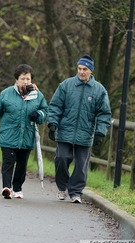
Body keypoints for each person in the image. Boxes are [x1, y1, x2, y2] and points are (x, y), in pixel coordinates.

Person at [47, 55, 111, 203]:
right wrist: (52, 124)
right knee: (61, 158)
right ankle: (62, 188)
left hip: (85, 133)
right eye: (79, 69)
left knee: (81, 165)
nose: (81, 72)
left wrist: (100, 132)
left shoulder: (99, 90)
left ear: (91, 71)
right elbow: (55, 106)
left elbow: (104, 113)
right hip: (65, 130)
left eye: (85, 69)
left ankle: (75, 192)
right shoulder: (66, 85)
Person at [0, 64, 48, 199]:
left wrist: (38, 114)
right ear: (17, 80)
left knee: (22, 164)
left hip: (27, 136)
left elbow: (46, 111)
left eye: (28, 79)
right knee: (8, 161)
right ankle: (6, 187)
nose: (25, 82)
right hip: (8, 135)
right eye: (23, 78)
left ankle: (17, 188)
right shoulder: (6, 94)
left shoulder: (37, 95)